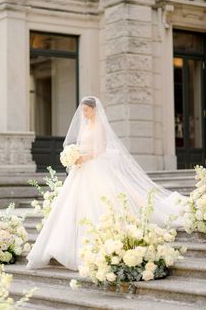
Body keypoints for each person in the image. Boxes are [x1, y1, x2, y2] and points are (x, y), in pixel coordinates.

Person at [26, 96, 184, 271]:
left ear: (94, 109)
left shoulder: (100, 126)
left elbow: (100, 149)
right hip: (81, 169)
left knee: (101, 199)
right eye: (83, 110)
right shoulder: (85, 126)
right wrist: (74, 155)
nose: (84, 113)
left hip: (94, 166)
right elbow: (82, 145)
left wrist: (83, 157)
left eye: (86, 110)